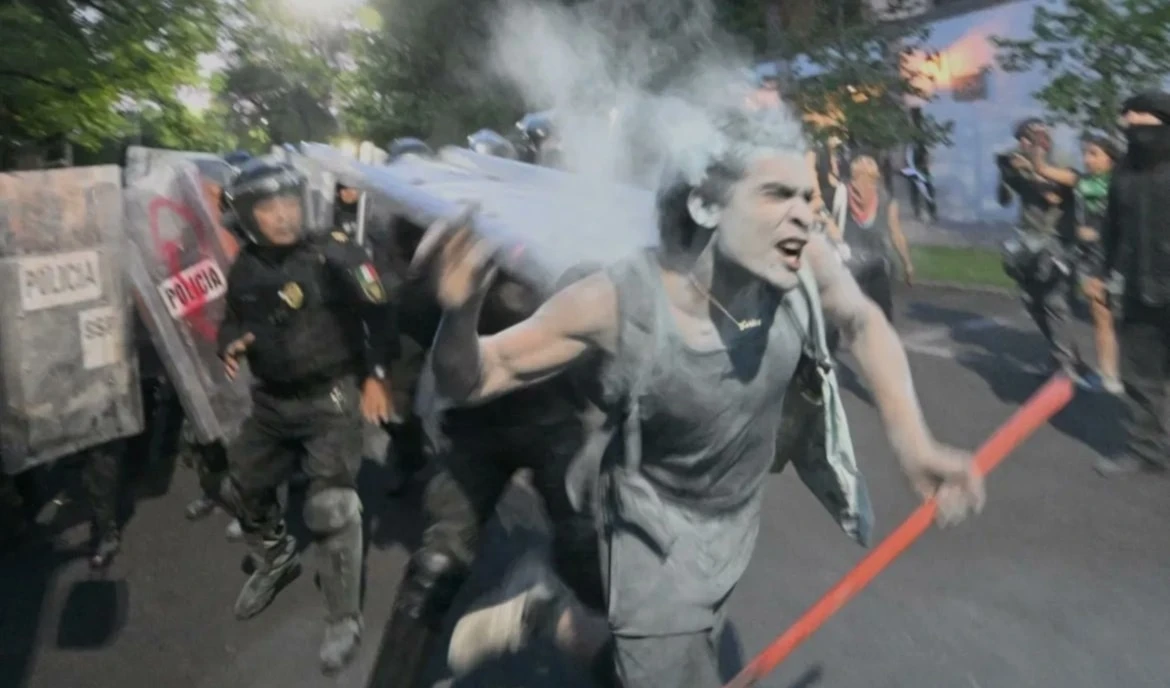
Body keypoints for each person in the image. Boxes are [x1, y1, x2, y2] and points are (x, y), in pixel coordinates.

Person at [415, 111, 986, 687]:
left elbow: (862, 322)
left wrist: (916, 445)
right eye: (776, 195)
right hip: (649, 525)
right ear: (708, 207)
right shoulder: (615, 302)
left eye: (807, 196)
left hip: (730, 521)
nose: (805, 214)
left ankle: (549, 613)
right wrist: (460, 311)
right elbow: (474, 377)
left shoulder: (799, 256)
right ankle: (558, 617)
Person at [366, 264, 610, 688]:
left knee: (590, 559)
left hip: (555, 426)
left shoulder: (574, 255)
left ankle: (581, 633)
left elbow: (617, 349)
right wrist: (396, 396)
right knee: (436, 564)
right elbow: (411, 327)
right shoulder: (463, 253)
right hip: (475, 432)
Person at [217, 157, 397, 673]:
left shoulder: (335, 255)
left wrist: (377, 376)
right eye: (268, 206)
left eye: (289, 202)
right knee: (241, 485)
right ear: (247, 216)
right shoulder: (245, 266)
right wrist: (231, 343)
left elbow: (381, 311)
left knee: (331, 507)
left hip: (331, 397)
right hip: (272, 400)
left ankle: (344, 618)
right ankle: (277, 561)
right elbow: (232, 318)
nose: (283, 215)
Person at [1091, 92, 1170, 477]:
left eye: (1142, 119)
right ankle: (1149, 450)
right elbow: (1111, 228)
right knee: (1141, 374)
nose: (1133, 126)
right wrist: (1100, 272)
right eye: (1128, 121)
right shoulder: (1125, 169)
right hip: (1140, 287)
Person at [1027, 132, 1124, 394]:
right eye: (1085, 154)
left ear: (1110, 158)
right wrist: (1038, 147)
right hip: (1091, 259)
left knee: (1130, 318)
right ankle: (1109, 374)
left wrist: (1101, 231)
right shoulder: (1080, 180)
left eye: (1094, 154)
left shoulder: (1120, 182)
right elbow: (1042, 169)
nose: (1087, 159)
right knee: (1100, 314)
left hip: (1118, 255)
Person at [996, 118, 1080, 376]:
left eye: (1030, 137)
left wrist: (1033, 169)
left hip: (1057, 236)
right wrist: (1006, 174)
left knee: (1054, 299)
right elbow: (1004, 200)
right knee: (1030, 299)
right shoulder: (1018, 159)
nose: (1025, 142)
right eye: (1022, 138)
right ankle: (1061, 351)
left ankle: (1066, 362)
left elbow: (1056, 196)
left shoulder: (1061, 158)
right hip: (1028, 236)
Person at [825, 155, 914, 323]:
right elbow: (896, 233)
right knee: (878, 318)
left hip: (860, 265)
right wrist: (907, 265)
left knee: (847, 318)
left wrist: (907, 264)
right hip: (856, 264)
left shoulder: (883, 199)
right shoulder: (842, 194)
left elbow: (896, 233)